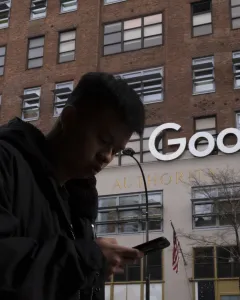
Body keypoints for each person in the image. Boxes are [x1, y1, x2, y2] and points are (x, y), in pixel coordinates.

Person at [0, 72, 146, 300]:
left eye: (115, 151)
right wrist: (86, 259)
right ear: (69, 118)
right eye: (104, 141)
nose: (107, 157)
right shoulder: (5, 162)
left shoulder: (77, 206)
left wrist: (91, 263)